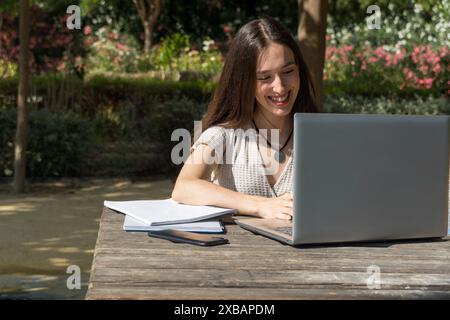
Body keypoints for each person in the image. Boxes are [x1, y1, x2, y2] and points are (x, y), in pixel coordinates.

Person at [171, 16, 319, 220]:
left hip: (312, 252)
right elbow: (184, 187)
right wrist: (259, 206)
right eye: (264, 77)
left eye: (288, 71)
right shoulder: (224, 135)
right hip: (235, 252)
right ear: (245, 81)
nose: (280, 87)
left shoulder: (321, 136)